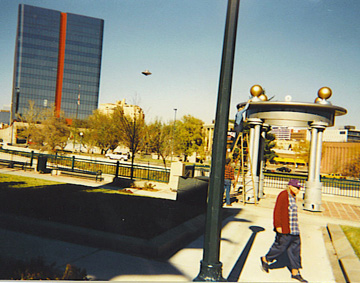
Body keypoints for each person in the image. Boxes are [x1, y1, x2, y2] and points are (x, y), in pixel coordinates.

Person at [260, 179, 308, 283]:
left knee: (295, 251)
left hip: (294, 230)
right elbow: (277, 211)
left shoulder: (293, 197)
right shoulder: (283, 195)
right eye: (296, 187)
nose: (298, 190)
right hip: (285, 229)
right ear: (290, 186)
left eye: (299, 188)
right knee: (279, 247)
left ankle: (296, 273)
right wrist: (278, 225)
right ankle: (266, 259)